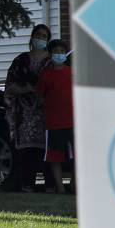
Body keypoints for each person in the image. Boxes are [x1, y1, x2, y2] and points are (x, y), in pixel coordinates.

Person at [2, 24, 52, 193]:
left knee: (45, 150)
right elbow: (10, 85)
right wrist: (26, 89)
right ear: (32, 37)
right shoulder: (21, 61)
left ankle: (46, 184)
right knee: (26, 150)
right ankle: (27, 184)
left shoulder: (51, 62)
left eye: (44, 36)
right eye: (38, 35)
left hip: (45, 111)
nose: (40, 38)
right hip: (24, 112)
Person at [38, 39, 75, 195]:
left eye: (62, 51)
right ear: (50, 54)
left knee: (77, 155)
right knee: (55, 157)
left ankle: (74, 185)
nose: (59, 54)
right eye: (55, 51)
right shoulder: (46, 75)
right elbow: (40, 97)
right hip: (53, 123)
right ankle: (60, 187)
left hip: (73, 122)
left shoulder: (72, 73)